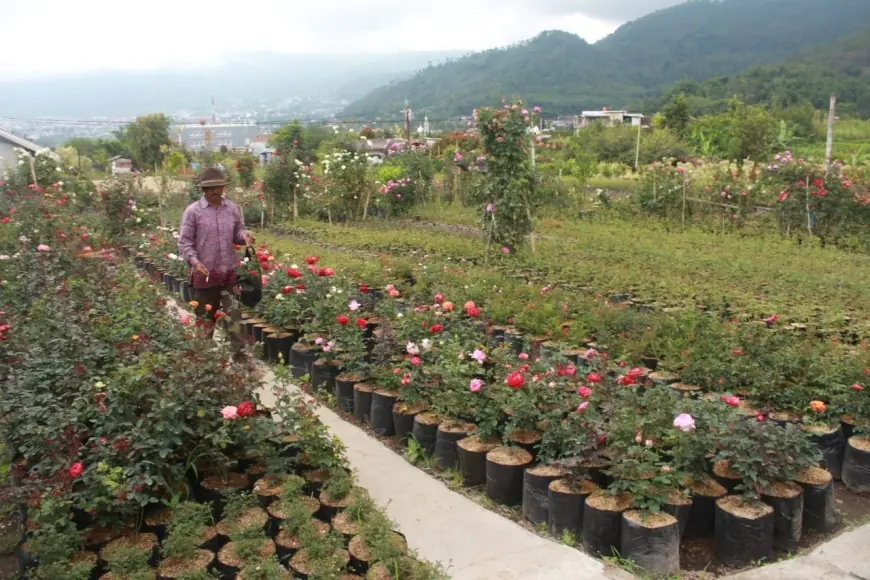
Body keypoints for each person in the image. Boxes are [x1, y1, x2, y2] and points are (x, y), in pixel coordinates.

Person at [178, 167, 254, 338]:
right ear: (203, 190)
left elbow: (237, 233)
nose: (214, 191)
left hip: (229, 275)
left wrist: (245, 236)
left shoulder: (232, 209)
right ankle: (205, 361)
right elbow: (185, 243)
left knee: (234, 319)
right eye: (209, 188)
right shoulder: (193, 212)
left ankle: (240, 357)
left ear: (223, 188)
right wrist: (195, 262)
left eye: (218, 187)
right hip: (205, 275)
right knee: (205, 323)